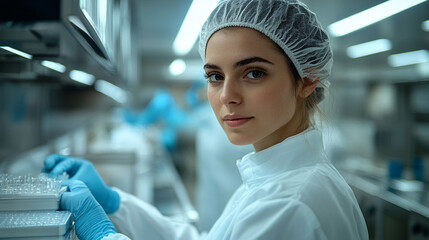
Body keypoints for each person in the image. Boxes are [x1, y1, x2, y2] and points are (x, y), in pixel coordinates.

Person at [42, 0, 369, 239]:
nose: (227, 95)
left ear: (307, 79)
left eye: (253, 73)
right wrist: (115, 204)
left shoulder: (289, 206)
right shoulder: (269, 179)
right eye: (215, 76)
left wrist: (103, 236)